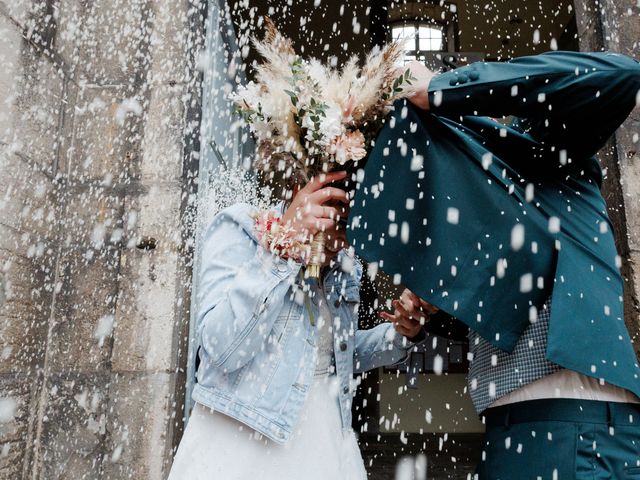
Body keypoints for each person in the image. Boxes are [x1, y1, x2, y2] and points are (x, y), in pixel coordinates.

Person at [349, 51, 640, 478]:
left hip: (569, 426)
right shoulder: (501, 211)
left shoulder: (551, 149)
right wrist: (432, 313)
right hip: (519, 426)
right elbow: (506, 311)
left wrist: (444, 89)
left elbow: (621, 74)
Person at [168, 170, 426, 480]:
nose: (344, 240)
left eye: (355, 229)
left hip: (323, 435)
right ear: (301, 190)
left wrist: (399, 335)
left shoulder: (344, 265)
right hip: (241, 442)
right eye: (339, 223)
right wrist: (282, 252)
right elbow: (221, 351)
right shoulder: (241, 229)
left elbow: (332, 357)